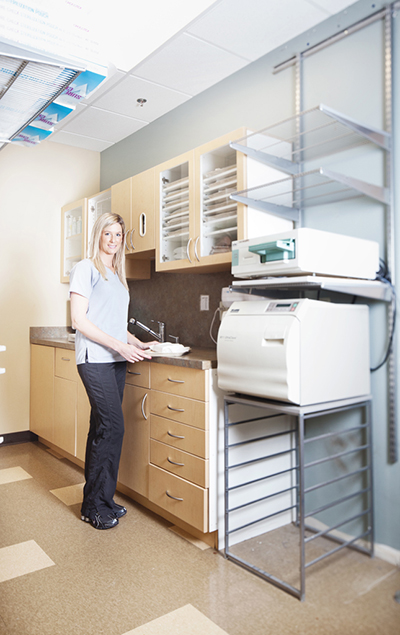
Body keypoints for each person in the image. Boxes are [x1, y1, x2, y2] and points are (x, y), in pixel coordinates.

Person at [69, 212, 152, 530]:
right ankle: (94, 506)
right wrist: (119, 347)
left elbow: (115, 323)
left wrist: (137, 343)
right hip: (94, 359)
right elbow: (80, 320)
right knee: (114, 429)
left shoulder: (118, 274)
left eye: (119, 235)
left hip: (115, 361)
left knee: (101, 429)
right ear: (98, 235)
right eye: (109, 234)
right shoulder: (86, 268)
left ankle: (99, 500)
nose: (114, 240)